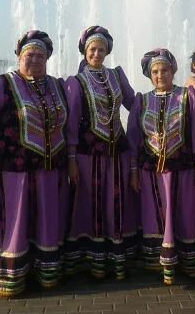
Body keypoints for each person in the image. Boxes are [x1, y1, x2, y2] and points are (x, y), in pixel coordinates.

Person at [0, 30, 69, 298]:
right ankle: (8, 274)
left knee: (46, 219)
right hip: (14, 170)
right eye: (29, 54)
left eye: (40, 55)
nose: (35, 59)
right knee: (13, 219)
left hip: (50, 169)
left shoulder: (56, 85)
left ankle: (44, 270)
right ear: (18, 56)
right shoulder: (0, 83)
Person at [127, 48, 195, 285]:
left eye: (164, 70)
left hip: (182, 170)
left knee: (183, 213)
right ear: (149, 75)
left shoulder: (187, 96)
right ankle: (158, 264)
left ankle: (187, 262)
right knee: (155, 216)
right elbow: (133, 139)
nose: (160, 75)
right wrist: (133, 172)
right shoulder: (142, 101)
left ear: (172, 71)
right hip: (150, 172)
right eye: (155, 71)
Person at [63, 25, 138, 280]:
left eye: (101, 49)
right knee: (90, 202)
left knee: (114, 201)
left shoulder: (117, 75)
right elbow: (71, 122)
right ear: (85, 51)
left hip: (117, 151)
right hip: (87, 153)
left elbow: (134, 105)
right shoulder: (76, 82)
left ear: (107, 51)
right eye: (92, 49)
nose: (97, 53)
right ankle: (91, 259)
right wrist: (71, 158)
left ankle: (117, 256)